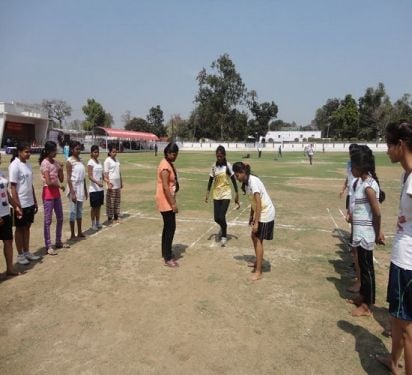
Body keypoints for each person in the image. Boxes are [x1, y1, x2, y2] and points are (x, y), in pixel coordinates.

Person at [376, 121, 412, 374]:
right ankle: (393, 361)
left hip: (408, 263)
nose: (386, 150)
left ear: (400, 145)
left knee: (407, 328)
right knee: (398, 320)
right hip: (401, 259)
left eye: (389, 144)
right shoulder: (406, 175)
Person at [348, 145, 385, 317]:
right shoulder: (361, 183)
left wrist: (378, 232)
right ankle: (363, 296)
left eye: (352, 166)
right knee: (362, 268)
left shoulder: (369, 186)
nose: (350, 169)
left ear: (360, 167)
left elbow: (377, 213)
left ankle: (367, 306)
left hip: (367, 234)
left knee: (367, 269)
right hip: (360, 232)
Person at [232, 162, 275, 281]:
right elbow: (253, 202)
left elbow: (259, 202)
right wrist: (251, 216)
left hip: (266, 212)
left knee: (258, 239)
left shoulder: (253, 181)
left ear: (243, 173)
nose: (236, 178)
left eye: (237, 175)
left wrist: (256, 222)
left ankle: (258, 271)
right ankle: (258, 261)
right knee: (254, 236)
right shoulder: (246, 184)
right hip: (260, 211)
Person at [8, 142, 40, 265]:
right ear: (19, 152)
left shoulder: (28, 165)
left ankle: (27, 252)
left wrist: (35, 201)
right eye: (26, 152)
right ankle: (20, 255)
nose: (29, 154)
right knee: (20, 229)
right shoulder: (14, 165)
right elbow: (13, 188)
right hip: (20, 203)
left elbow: (30, 184)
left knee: (27, 228)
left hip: (29, 202)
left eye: (29, 151)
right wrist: (17, 205)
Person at [205, 146, 239, 246]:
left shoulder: (228, 166)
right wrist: (207, 193)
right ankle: (223, 227)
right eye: (217, 156)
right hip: (216, 194)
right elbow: (210, 180)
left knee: (221, 216)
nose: (219, 158)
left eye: (220, 156)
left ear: (224, 156)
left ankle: (224, 235)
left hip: (226, 193)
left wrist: (237, 193)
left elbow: (233, 180)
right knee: (216, 218)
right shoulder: (213, 166)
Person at [39, 141, 69, 255]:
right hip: (48, 192)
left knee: (60, 218)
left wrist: (61, 169)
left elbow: (61, 179)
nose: (55, 152)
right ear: (48, 151)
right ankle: (48, 245)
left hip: (56, 193)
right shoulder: (44, 163)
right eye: (53, 151)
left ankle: (58, 241)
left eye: (55, 150)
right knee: (48, 220)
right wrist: (60, 186)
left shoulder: (55, 163)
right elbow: (48, 182)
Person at [339, 144, 360, 293]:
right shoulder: (349, 164)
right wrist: (343, 188)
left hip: (356, 199)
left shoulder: (361, 167)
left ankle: (357, 266)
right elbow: (348, 178)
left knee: (356, 232)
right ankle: (355, 260)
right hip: (351, 197)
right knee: (352, 228)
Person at [156, 142, 179, 267]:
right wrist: (173, 203)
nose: (175, 156)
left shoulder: (168, 163)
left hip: (167, 199)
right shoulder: (165, 166)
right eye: (173, 154)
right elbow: (165, 187)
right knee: (170, 227)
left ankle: (166, 252)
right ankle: (167, 257)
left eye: (176, 154)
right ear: (168, 153)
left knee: (168, 227)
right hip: (165, 200)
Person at [0, 152, 22, 276]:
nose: (0, 159)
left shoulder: (1, 175)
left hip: (5, 213)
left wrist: (16, 206)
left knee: (8, 241)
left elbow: (6, 194)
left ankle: (9, 268)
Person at [66, 141, 87, 239]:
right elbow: (69, 177)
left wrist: (85, 190)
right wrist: (72, 192)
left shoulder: (81, 160)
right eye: (76, 149)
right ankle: (72, 234)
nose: (78, 151)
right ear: (72, 149)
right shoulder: (69, 161)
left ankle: (79, 232)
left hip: (81, 187)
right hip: (73, 187)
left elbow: (83, 177)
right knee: (73, 211)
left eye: (79, 149)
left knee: (79, 211)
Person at [104, 145, 123, 224]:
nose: (115, 153)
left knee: (117, 200)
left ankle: (116, 215)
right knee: (110, 201)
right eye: (113, 152)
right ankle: (110, 217)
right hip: (111, 184)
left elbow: (119, 172)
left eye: (116, 151)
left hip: (117, 183)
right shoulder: (107, 161)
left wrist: (121, 182)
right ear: (109, 152)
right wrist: (108, 183)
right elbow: (106, 173)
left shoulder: (117, 160)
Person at [87, 145, 104, 230]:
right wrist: (98, 183)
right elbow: (90, 176)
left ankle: (98, 222)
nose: (96, 153)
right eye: (95, 152)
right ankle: (93, 223)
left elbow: (102, 174)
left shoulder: (99, 162)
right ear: (91, 153)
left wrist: (107, 180)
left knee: (99, 206)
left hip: (100, 189)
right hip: (93, 189)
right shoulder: (90, 162)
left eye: (97, 152)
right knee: (94, 207)